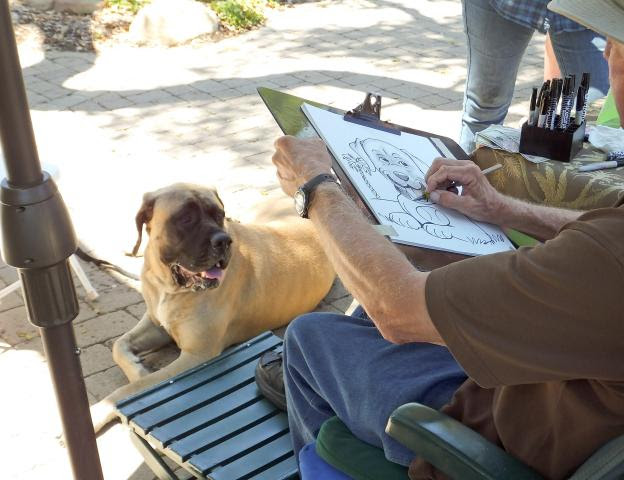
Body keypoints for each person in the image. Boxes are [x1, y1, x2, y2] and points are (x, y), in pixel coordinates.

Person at [256, 1, 624, 478]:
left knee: (310, 336)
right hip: (565, 387)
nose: (606, 53)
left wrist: (316, 187)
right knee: (390, 291)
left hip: (487, 434)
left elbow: (398, 311)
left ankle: (332, 458)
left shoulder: (608, 262)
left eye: (614, 45)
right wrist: (503, 209)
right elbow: (601, 235)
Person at [459, 0, 610, 153]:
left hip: (584, 9)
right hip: (503, 4)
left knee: (597, 110)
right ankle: (467, 165)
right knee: (485, 103)